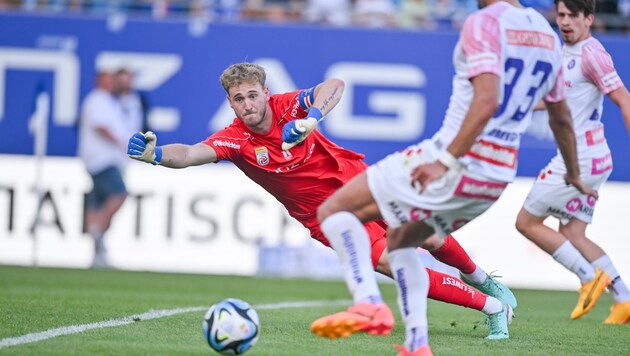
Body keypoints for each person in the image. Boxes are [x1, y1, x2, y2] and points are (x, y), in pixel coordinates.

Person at [127, 62, 515, 339]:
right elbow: (192, 154)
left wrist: (311, 116)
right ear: (230, 104)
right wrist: (156, 156)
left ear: (266, 93)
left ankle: (485, 282)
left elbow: (335, 85)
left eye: (252, 95)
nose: (247, 104)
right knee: (390, 263)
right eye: (238, 99)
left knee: (427, 237)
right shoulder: (235, 140)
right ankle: (495, 309)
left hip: (360, 185)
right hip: (326, 217)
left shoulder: (287, 107)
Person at [307, 0, 598, 352]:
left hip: (453, 160)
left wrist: (444, 161)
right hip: (496, 176)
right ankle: (417, 344)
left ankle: (367, 302)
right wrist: (574, 172)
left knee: (334, 212)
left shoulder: (483, 22)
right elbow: (561, 118)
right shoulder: (547, 36)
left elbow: (487, 99)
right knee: (400, 241)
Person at [515, 0, 630, 324]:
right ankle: (624, 299)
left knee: (526, 223)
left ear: (589, 19)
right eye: (561, 15)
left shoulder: (592, 54)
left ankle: (587, 275)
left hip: (580, 158)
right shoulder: (564, 51)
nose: (564, 22)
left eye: (571, 16)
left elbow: (623, 99)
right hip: (591, 156)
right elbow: (557, 102)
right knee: (573, 233)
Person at [78, 68, 143, 268]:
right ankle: (97, 231)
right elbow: (101, 126)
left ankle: (97, 250)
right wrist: (121, 143)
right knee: (119, 194)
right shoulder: (97, 100)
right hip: (102, 159)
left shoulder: (114, 102)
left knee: (97, 201)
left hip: (108, 159)